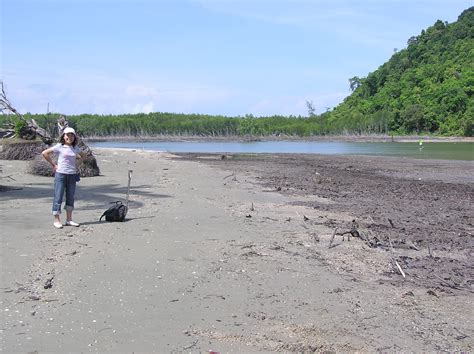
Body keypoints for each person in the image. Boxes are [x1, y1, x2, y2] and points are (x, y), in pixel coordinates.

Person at [42, 127, 84, 229]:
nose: (69, 137)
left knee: (70, 197)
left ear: (74, 137)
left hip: (72, 175)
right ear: (64, 136)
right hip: (60, 174)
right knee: (58, 197)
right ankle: (56, 220)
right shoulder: (59, 146)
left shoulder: (75, 148)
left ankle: (69, 220)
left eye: (72, 135)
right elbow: (45, 153)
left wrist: (77, 163)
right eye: (67, 135)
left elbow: (83, 156)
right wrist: (54, 165)